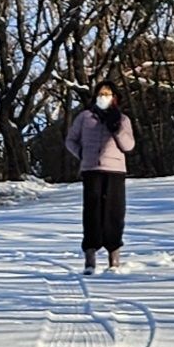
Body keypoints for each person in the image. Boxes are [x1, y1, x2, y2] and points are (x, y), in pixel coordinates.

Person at [63, 83, 134, 273]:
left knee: (114, 213)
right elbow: (70, 140)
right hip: (91, 169)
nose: (104, 97)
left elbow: (129, 146)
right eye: (101, 94)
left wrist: (116, 129)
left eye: (108, 94)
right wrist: (82, 154)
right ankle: (90, 257)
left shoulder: (123, 119)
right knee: (92, 212)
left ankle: (114, 256)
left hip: (115, 170)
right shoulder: (85, 117)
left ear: (115, 97)